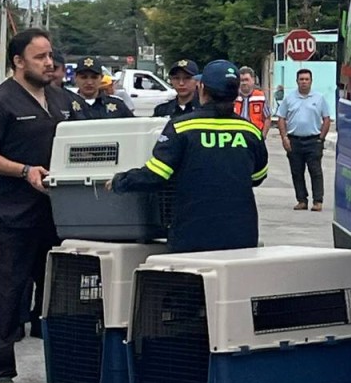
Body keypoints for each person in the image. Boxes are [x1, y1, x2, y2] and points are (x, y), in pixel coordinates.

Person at [0, 28, 76, 383]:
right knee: (8, 289)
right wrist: (24, 170)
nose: (49, 63)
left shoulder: (62, 100)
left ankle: (67, 365)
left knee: (58, 290)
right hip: (11, 210)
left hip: (56, 210)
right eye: (40, 57)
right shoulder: (1, 102)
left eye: (50, 56)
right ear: (18, 61)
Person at [107, 59, 269, 253]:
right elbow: (258, 177)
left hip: (193, 231)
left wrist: (121, 180)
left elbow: (157, 174)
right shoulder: (250, 131)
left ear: (202, 89)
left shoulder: (182, 127)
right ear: (235, 93)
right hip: (241, 233)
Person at [276, 68, 330, 212]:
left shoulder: (319, 98)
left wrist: (321, 138)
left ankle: (317, 201)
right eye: (301, 79)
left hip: (313, 141)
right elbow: (281, 118)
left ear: (311, 81)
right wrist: (284, 137)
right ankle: (301, 200)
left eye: (307, 79)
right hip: (294, 141)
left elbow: (326, 118)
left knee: (315, 171)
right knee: (297, 172)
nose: (304, 82)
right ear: (297, 81)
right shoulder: (289, 98)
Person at [233, 65, 272, 138]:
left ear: (253, 80)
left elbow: (267, 118)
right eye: (242, 80)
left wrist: (263, 136)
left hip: (255, 135)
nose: (244, 83)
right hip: (237, 136)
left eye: (246, 80)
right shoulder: (233, 97)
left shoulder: (261, 97)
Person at [50, 50, 87, 118]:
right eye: (45, 69)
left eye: (53, 68)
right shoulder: (26, 100)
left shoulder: (77, 101)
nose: (49, 73)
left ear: (64, 70)